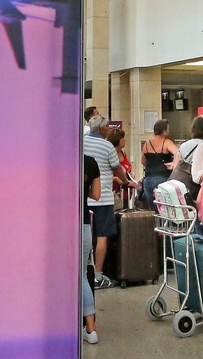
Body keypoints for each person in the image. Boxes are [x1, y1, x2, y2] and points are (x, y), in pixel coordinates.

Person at [84, 116, 124, 289]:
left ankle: (83, 272)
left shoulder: (82, 142)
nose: (109, 129)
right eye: (107, 127)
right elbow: (117, 168)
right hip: (103, 199)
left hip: (85, 198)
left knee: (85, 236)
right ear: (101, 129)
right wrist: (125, 181)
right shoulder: (107, 146)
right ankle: (98, 276)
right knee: (102, 237)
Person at [82, 152, 100, 345]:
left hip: (56, 225)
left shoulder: (50, 159)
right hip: (83, 224)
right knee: (81, 277)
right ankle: (91, 330)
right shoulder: (90, 161)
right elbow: (95, 195)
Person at [141, 120, 178, 205]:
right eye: (167, 129)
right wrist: (173, 164)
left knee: (152, 208)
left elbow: (142, 161)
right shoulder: (166, 142)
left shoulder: (147, 144)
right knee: (163, 208)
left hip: (148, 179)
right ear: (164, 131)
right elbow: (177, 152)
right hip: (163, 177)